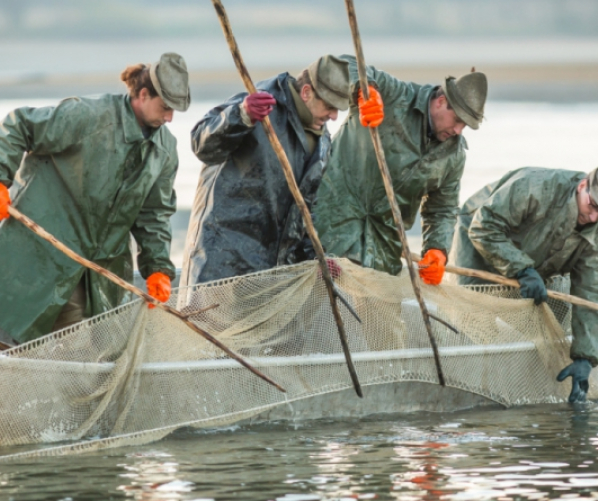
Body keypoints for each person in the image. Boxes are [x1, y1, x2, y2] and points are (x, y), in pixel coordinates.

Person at [0, 52, 190, 344]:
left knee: (81, 357)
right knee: (9, 339)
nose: (169, 118)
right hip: (36, 258)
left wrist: (159, 269)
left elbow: (155, 214)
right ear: (142, 94)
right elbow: (19, 125)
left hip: (100, 276)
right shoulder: (88, 116)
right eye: (165, 107)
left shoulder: (165, 150)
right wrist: (1, 179)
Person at [180, 55, 350, 286]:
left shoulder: (322, 140)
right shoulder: (261, 102)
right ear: (307, 92)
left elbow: (307, 209)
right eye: (330, 106)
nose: (334, 116)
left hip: (272, 272)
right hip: (219, 263)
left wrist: (316, 256)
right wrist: (240, 116)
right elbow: (201, 143)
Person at [314, 55, 488, 282]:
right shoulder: (395, 95)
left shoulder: (453, 156)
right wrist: (364, 90)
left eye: (464, 126)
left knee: (379, 312)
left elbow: (442, 210)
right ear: (441, 101)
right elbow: (345, 63)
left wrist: (437, 250)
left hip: (384, 242)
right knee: (317, 296)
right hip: (329, 216)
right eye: (456, 119)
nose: (457, 130)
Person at [449, 166, 598, 403]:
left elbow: (589, 291)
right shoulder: (534, 186)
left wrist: (585, 358)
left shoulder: (596, 226)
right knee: (474, 317)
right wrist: (521, 269)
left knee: (552, 315)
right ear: (582, 186)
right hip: (479, 235)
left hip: (536, 254)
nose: (593, 218)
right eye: (592, 206)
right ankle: (466, 390)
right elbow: (483, 228)